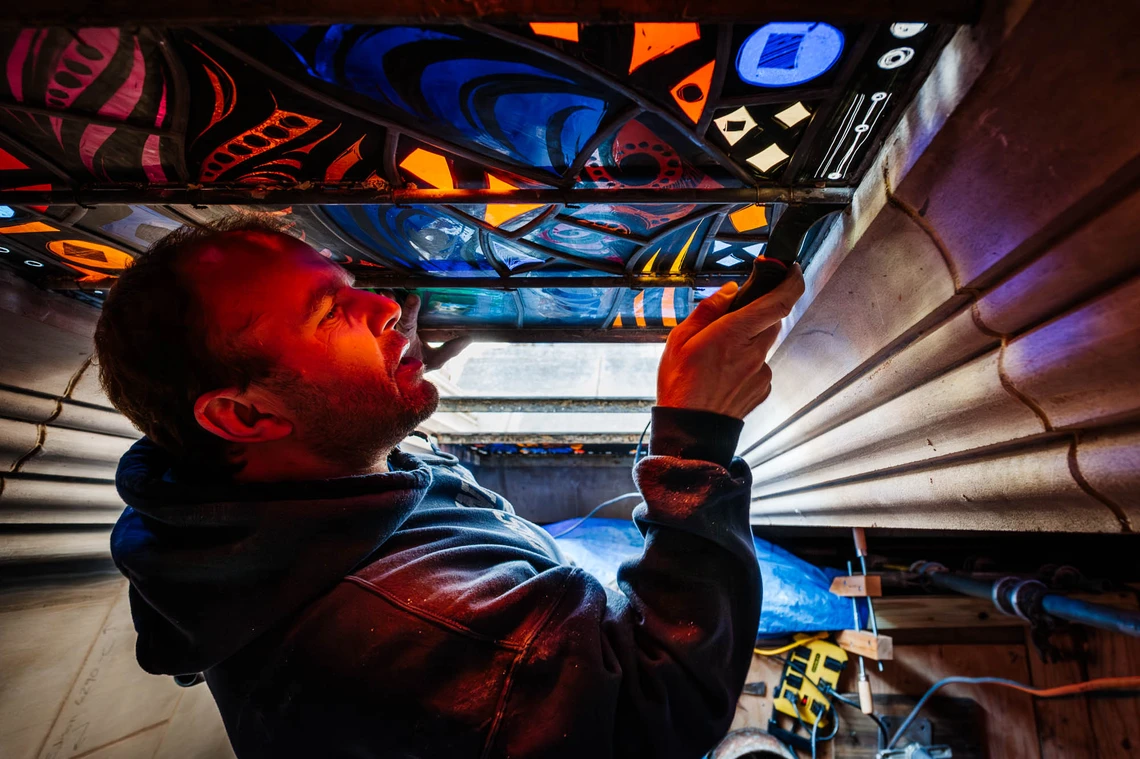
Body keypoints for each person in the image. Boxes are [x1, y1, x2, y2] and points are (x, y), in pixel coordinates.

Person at [96, 217, 804, 759]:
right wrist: (698, 439)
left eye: (349, 285)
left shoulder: (262, 498)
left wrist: (378, 380)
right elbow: (666, 707)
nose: (382, 305)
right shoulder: (401, 638)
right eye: (329, 312)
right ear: (245, 414)